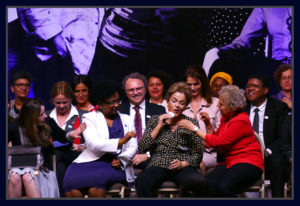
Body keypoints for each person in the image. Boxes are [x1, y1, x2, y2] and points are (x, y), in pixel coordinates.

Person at [178, 85, 264, 197]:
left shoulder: (241, 120)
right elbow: (213, 140)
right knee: (206, 185)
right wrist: (208, 124)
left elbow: (219, 142)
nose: (218, 106)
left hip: (248, 163)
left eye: (222, 104)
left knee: (224, 188)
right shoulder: (226, 118)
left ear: (232, 107)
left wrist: (195, 129)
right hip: (229, 162)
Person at [63, 80, 137, 198]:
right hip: (88, 160)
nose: (116, 105)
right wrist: (120, 141)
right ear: (100, 103)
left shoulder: (127, 119)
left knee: (96, 183)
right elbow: (93, 144)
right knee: (70, 179)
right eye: (111, 102)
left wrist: (123, 160)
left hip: (114, 164)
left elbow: (133, 146)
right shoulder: (89, 117)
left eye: (118, 100)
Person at [136, 82, 209, 197]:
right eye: (174, 101)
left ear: (185, 106)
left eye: (182, 103)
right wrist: (159, 126)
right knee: (143, 179)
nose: (177, 106)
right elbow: (143, 147)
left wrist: (183, 164)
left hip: (183, 166)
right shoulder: (156, 120)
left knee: (196, 181)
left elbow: (197, 154)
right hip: (159, 164)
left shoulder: (191, 123)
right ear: (167, 101)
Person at [203, 8, 292, 95]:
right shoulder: (266, 7)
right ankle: (211, 105)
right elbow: (244, 41)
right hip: (277, 66)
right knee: (222, 64)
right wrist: (218, 51)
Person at [244, 74, 288, 197]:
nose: (250, 89)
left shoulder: (278, 107)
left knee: (278, 161)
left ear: (265, 90)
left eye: (255, 86)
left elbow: (282, 137)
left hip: (268, 154)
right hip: (246, 155)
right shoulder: (241, 107)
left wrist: (267, 151)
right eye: (248, 86)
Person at [8, 98, 60, 198]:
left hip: (40, 170)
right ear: (30, 118)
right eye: (41, 115)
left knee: (28, 176)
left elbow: (63, 135)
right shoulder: (13, 127)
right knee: (14, 177)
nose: (45, 116)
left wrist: (71, 134)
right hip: (17, 169)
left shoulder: (46, 122)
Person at [48, 81, 88, 197]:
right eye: (58, 103)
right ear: (52, 101)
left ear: (71, 99)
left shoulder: (84, 116)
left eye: (65, 102)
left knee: (58, 158)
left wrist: (82, 146)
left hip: (78, 157)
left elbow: (92, 142)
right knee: (59, 165)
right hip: (53, 160)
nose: (61, 106)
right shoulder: (46, 116)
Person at [119, 72, 166, 169]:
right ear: (125, 92)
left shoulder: (159, 110)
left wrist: (147, 155)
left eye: (139, 88)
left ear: (145, 89)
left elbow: (164, 139)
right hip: (124, 156)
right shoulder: (119, 110)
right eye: (131, 90)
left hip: (150, 158)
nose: (135, 92)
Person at [182, 65, 221, 175]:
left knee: (197, 164)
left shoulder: (215, 103)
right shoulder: (180, 104)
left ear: (202, 83)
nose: (193, 88)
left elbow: (219, 137)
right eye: (189, 84)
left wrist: (208, 124)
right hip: (186, 152)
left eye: (196, 84)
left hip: (210, 153)